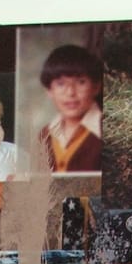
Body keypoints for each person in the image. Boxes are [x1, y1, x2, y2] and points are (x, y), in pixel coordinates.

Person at [38, 44, 103, 173]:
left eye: (81, 82)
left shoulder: (105, 130)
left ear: (96, 87)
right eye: (61, 84)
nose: (70, 92)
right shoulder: (44, 135)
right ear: (49, 91)